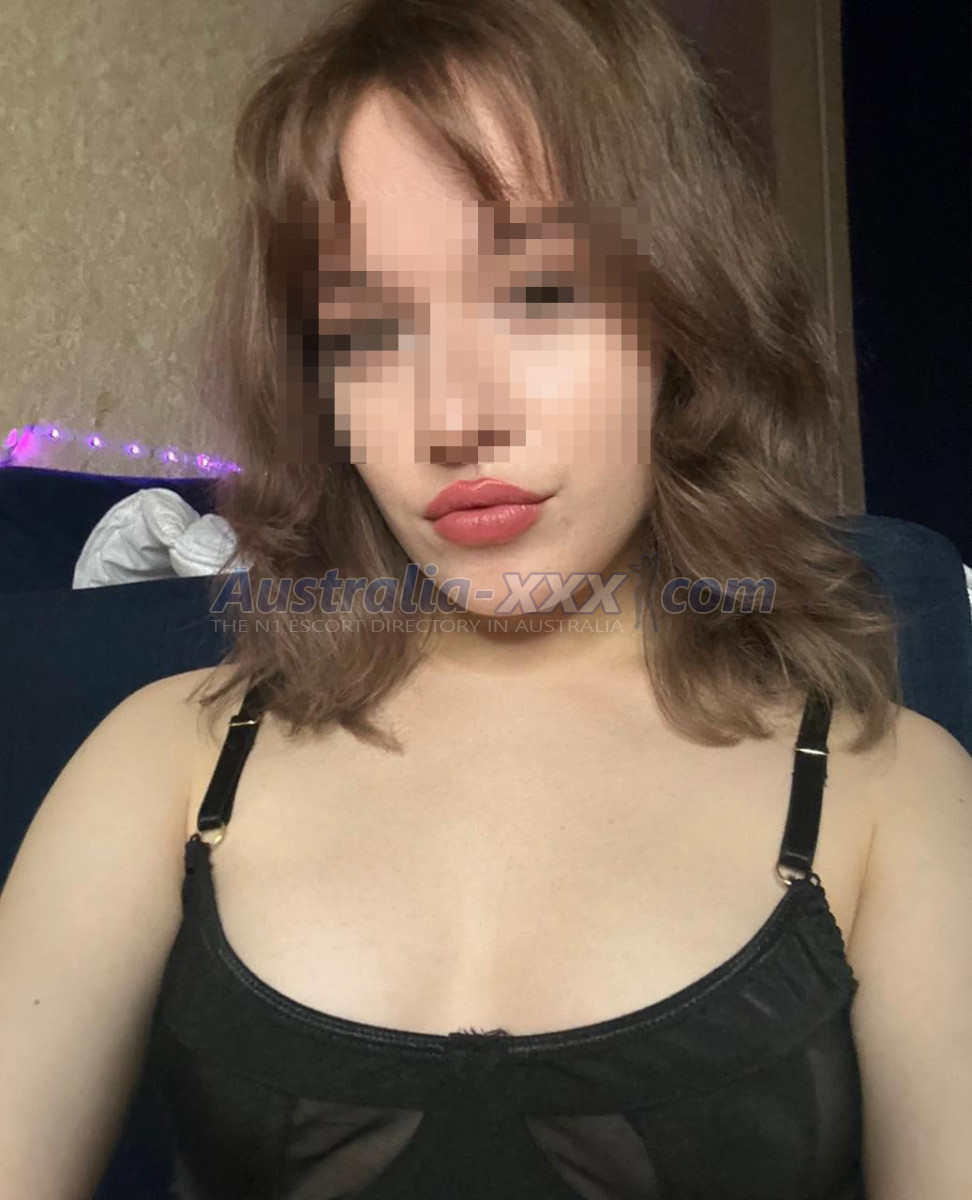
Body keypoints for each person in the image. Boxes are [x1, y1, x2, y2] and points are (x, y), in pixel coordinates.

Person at [2, 1, 970, 1197]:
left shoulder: (893, 794)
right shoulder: (166, 762)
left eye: (541, 294)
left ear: (682, 317)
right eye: (373, 329)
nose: (456, 417)